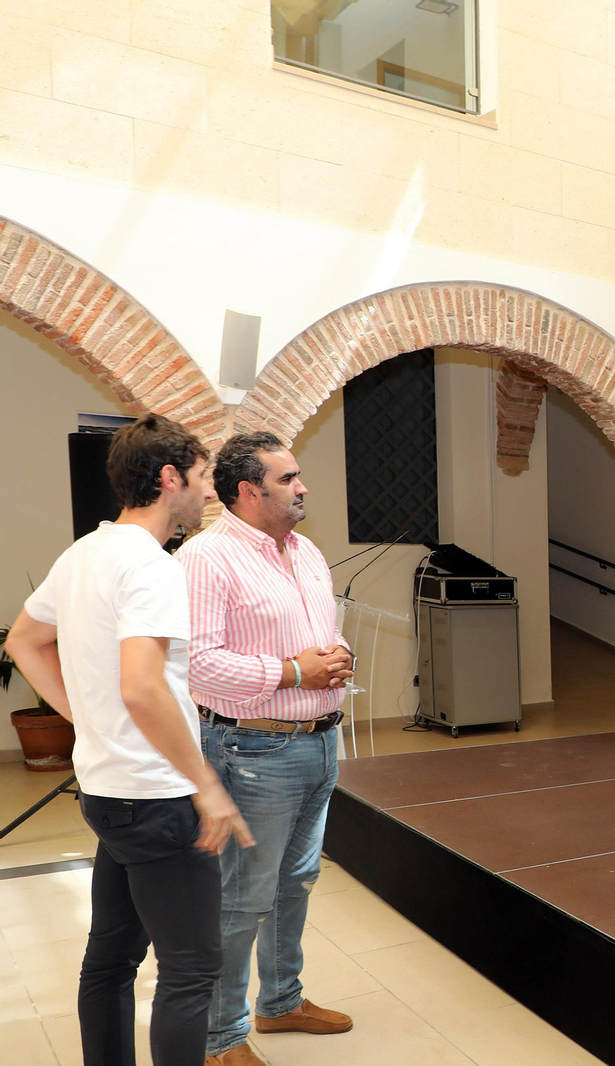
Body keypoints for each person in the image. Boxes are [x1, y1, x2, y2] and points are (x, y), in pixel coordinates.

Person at [4, 413, 254, 1066]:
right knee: (191, 970)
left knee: (111, 960)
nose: (209, 491)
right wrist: (207, 786)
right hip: (157, 797)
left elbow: (23, 641)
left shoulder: (85, 552)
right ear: (170, 478)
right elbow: (142, 688)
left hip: (110, 794)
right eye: (202, 476)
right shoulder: (150, 565)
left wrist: (86, 719)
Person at [177, 430, 356, 1066]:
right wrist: (294, 672)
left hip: (319, 741)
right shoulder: (207, 558)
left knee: (296, 881)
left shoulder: (305, 551)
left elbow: (324, 633)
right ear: (248, 491)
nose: (302, 487)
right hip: (252, 750)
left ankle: (280, 1003)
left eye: (297, 475)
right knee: (243, 898)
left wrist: (339, 657)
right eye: (287, 479)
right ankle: (221, 1040)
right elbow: (198, 663)